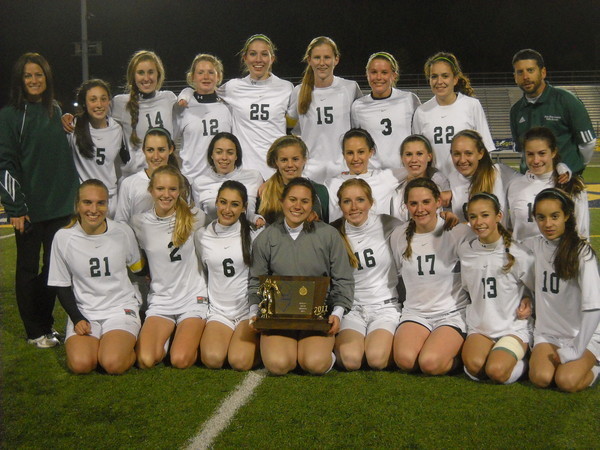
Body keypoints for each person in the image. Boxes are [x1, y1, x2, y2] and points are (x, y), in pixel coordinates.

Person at [0, 52, 79, 347]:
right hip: (30, 210)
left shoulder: (55, 110)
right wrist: (16, 207)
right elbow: (4, 164)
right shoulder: (10, 116)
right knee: (28, 270)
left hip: (60, 206)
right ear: (19, 81)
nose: (34, 80)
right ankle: (34, 331)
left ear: (47, 78)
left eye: (39, 75)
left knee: (53, 270)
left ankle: (47, 325)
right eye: (28, 76)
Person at [248, 177, 354, 375]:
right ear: (282, 201)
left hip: (318, 315)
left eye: (305, 201)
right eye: (292, 199)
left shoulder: (329, 235)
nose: (298, 206)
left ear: (312, 205)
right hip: (279, 316)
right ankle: (287, 349)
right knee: (278, 365)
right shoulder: (265, 238)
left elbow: (343, 279)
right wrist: (254, 311)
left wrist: (337, 312)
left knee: (315, 364)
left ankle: (320, 353)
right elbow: (256, 280)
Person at [48, 180, 144, 374]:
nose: (94, 209)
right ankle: (107, 345)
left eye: (101, 203)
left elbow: (139, 268)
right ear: (77, 205)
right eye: (87, 202)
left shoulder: (122, 232)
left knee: (113, 364)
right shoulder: (63, 238)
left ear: (108, 205)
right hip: (85, 311)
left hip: (120, 309)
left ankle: (123, 346)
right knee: (81, 365)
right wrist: (77, 318)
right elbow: (61, 285)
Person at [180, 35, 293, 179]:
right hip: (244, 173)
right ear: (245, 58)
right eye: (253, 54)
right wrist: (186, 93)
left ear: (272, 58)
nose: (258, 59)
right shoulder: (233, 87)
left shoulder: (286, 88)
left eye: (264, 54)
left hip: (276, 170)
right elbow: (205, 90)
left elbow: (299, 120)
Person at [390, 178, 472, 375]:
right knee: (405, 361)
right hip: (416, 313)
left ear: (438, 202)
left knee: (429, 363)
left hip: (451, 313)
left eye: (426, 202)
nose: (420, 209)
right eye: (413, 203)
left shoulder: (458, 231)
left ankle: (459, 356)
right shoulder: (399, 235)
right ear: (406, 205)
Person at [131, 166, 208, 369]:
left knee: (180, 360)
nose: (166, 194)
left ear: (180, 191)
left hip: (192, 298)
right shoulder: (139, 223)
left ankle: (185, 337)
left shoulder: (196, 217)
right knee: (145, 360)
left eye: (172, 189)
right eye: (160, 189)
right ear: (151, 190)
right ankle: (173, 336)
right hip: (161, 300)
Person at [526, 188, 600, 392]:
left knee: (566, 381)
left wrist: (576, 348)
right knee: (541, 378)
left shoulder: (582, 252)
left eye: (554, 216)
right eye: (541, 217)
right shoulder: (534, 245)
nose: (548, 224)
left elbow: (594, 307)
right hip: (548, 333)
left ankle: (594, 367)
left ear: (567, 215)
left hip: (582, 334)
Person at [458, 193, 535, 384]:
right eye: (473, 216)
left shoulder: (519, 253)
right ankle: (501, 357)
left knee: (496, 371)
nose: (478, 222)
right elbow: (468, 288)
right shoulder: (465, 251)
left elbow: (537, 291)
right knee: (474, 367)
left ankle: (523, 363)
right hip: (481, 327)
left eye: (485, 215)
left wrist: (529, 301)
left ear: (498, 216)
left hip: (512, 327)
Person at [332, 179, 401, 370]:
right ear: (340, 205)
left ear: (371, 202)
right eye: (347, 201)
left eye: (360, 200)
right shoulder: (333, 233)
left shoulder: (389, 224)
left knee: (376, 359)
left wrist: (444, 217)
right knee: (350, 361)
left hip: (385, 307)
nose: (354, 207)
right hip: (352, 309)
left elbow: (420, 231)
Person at [196, 181, 261, 370]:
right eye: (223, 202)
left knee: (239, 361)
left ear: (244, 208)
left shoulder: (254, 235)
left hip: (246, 311)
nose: (227, 209)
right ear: (216, 202)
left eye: (235, 204)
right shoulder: (201, 236)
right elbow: (203, 272)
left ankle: (258, 347)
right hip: (219, 312)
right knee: (212, 359)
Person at [287, 37, 362, 183]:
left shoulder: (350, 88)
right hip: (309, 172)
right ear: (309, 60)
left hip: (343, 171)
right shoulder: (299, 91)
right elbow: (293, 129)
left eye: (327, 57)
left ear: (336, 59)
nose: (322, 63)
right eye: (317, 58)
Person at [510, 49, 596, 175]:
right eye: (520, 72)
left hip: (565, 181)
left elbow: (588, 143)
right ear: (515, 77)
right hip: (531, 182)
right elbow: (521, 149)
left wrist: (574, 168)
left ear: (543, 72)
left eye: (530, 70)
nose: (525, 77)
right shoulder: (516, 110)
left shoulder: (566, 100)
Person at [412, 52, 495, 177]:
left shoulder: (472, 105)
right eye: (434, 76)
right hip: (435, 182)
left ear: (455, 79)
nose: (439, 81)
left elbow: (486, 149)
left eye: (445, 76)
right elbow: (417, 153)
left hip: (468, 180)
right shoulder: (422, 112)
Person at [507, 126, 588, 240]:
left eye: (542, 153)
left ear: (553, 152)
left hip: (560, 252)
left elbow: (582, 232)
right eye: (530, 154)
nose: (536, 160)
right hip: (522, 251)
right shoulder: (515, 185)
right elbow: (513, 229)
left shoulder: (572, 186)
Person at [112, 50, 177, 178]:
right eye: (141, 73)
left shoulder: (168, 98)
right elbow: (95, 114)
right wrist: (73, 119)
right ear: (133, 76)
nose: (146, 78)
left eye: (150, 72)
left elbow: (192, 102)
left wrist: (187, 92)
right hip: (134, 176)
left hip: (164, 175)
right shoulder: (120, 103)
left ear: (158, 74)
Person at [351, 52, 421, 170]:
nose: (378, 77)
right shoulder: (358, 106)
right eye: (374, 72)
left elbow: (419, 139)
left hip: (405, 171)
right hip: (373, 173)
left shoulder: (409, 99)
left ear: (394, 75)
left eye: (384, 72)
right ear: (367, 74)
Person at [68, 79, 124, 218]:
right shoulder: (73, 127)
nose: (99, 104)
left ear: (109, 101)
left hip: (110, 198)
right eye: (93, 100)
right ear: (84, 103)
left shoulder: (117, 128)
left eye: (103, 99)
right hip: (85, 200)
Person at [174, 54, 232, 180]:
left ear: (218, 76)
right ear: (192, 77)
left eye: (211, 72)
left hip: (222, 180)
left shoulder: (228, 107)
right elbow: (169, 143)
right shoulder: (183, 107)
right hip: (191, 180)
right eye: (200, 72)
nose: (206, 77)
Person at [326, 128, 400, 222]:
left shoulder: (386, 178)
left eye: (361, 152)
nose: (355, 158)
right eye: (350, 153)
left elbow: (414, 170)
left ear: (371, 152)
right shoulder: (331, 184)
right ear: (343, 155)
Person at [191, 132, 262, 225]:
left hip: (248, 231)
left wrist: (256, 218)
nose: (224, 157)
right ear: (211, 155)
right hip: (213, 232)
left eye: (230, 153)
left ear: (236, 155)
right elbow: (199, 218)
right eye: (219, 152)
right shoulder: (199, 183)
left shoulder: (254, 177)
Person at [257, 135, 329, 224]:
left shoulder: (320, 192)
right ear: (276, 161)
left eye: (295, 159)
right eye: (284, 160)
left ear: (304, 160)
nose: (290, 165)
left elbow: (326, 227)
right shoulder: (264, 192)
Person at [113, 127, 178, 224]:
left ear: (170, 149)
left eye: (161, 150)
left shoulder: (182, 182)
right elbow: (121, 223)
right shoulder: (129, 184)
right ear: (143, 150)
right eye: (150, 150)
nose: (156, 156)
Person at [447, 129, 506, 223]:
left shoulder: (500, 173)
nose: (462, 160)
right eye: (457, 154)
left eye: (468, 153)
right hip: (463, 233)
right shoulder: (451, 178)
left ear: (480, 153)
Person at [391, 134, 451, 222]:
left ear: (429, 157)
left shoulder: (442, 188)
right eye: (408, 154)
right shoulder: (395, 192)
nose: (414, 160)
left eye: (419, 154)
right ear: (402, 158)